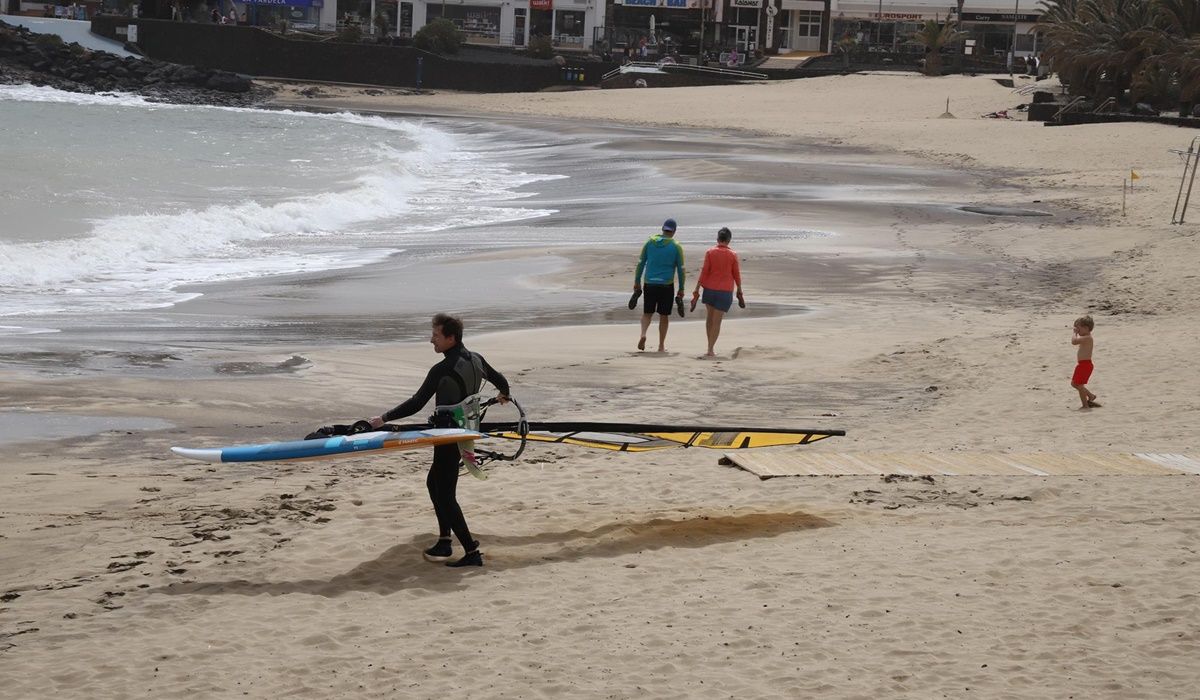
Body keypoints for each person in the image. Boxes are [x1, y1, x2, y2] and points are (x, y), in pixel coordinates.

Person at [361, 313, 511, 567]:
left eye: (436, 335)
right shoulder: (477, 360)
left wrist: (383, 419)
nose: (432, 340)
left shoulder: (442, 369)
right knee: (435, 483)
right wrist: (502, 396)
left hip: (447, 436)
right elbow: (503, 383)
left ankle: (471, 552)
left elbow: (416, 403)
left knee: (445, 494)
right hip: (464, 431)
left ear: (451, 338)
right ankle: (444, 541)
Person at [633, 218, 686, 352]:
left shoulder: (649, 242)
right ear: (674, 231)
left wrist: (637, 281)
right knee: (664, 316)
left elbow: (640, 263)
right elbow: (681, 269)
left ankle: (643, 334)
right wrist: (681, 288)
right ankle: (661, 346)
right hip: (666, 285)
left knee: (647, 313)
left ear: (663, 229)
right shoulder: (676, 246)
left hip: (649, 283)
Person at [690, 227, 744, 357]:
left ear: (717, 239)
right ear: (729, 240)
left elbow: (704, 271)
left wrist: (697, 289)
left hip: (709, 290)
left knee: (709, 319)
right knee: (717, 321)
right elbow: (736, 274)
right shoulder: (732, 255)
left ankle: (710, 347)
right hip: (724, 292)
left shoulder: (710, 252)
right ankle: (710, 349)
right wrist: (739, 290)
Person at [1070, 315, 1100, 409]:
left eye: (1079, 329)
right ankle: (1091, 396)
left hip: (1085, 365)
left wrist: (1074, 333)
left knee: (1079, 385)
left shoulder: (1088, 338)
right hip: (1082, 364)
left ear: (1086, 328)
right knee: (1074, 383)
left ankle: (1085, 405)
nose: (1077, 332)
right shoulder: (1085, 338)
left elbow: (1074, 342)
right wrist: (1077, 331)